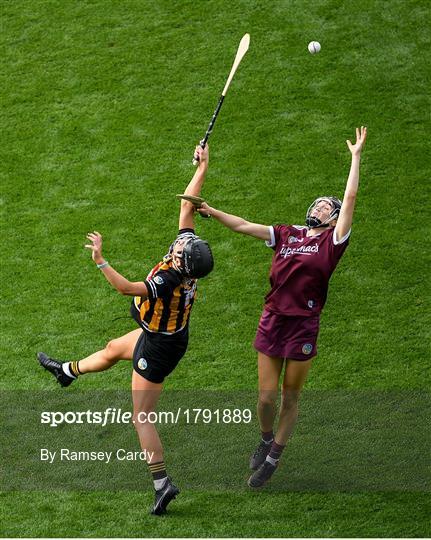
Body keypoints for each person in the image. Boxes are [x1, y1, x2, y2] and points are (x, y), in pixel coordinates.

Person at [37, 144, 214, 514]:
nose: (180, 245)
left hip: (159, 348)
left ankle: (162, 483)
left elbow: (126, 289)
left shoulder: (169, 280)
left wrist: (101, 261)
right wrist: (203, 166)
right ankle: (67, 372)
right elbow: (187, 205)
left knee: (142, 417)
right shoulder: (186, 252)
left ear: (184, 266)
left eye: (183, 251)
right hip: (161, 336)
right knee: (114, 347)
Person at [197, 127, 367, 487]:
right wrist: (211, 210)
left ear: (335, 219)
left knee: (290, 397)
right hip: (272, 319)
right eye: (319, 203)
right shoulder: (287, 234)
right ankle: (263, 437)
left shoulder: (334, 243)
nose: (321, 207)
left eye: (328, 207)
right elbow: (244, 226)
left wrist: (355, 158)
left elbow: (350, 198)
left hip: (303, 325)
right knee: (265, 398)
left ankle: (274, 456)